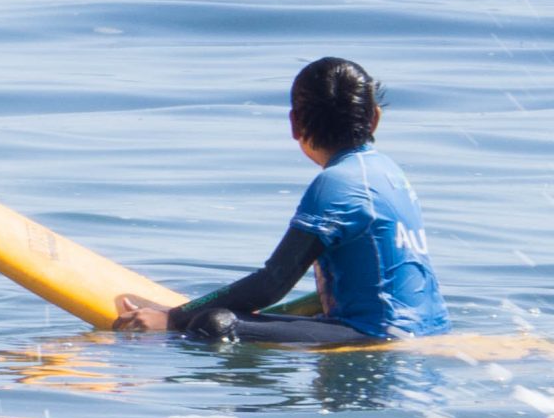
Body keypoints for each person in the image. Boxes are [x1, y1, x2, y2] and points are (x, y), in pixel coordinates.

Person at [113, 57, 448, 345]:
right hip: (428, 329)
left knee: (214, 324)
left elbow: (272, 283)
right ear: (374, 118)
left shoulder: (335, 184)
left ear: (294, 124)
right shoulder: (389, 173)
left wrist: (174, 319)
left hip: (377, 335)